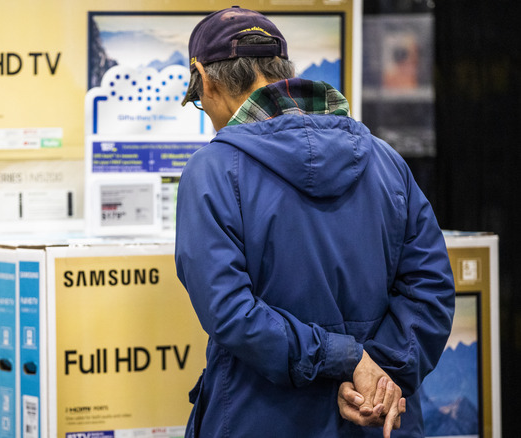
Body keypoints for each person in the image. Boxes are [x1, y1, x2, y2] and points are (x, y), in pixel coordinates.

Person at [174, 6, 455, 437]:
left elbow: (229, 311)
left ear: (203, 77)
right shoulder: (386, 161)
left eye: (197, 100)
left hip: (259, 419)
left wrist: (347, 362)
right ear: (282, 69)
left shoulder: (211, 170)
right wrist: (377, 379)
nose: (207, 115)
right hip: (379, 421)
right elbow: (431, 288)